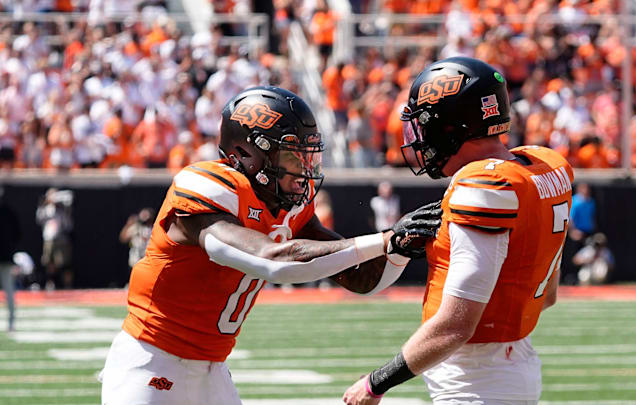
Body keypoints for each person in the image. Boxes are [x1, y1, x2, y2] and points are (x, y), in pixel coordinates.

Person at [99, 86, 441, 405]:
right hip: (151, 361)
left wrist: (399, 248)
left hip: (212, 369)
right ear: (248, 153)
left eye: (308, 157)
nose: (305, 171)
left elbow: (362, 278)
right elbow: (272, 261)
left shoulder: (288, 206)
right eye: (293, 157)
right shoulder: (206, 186)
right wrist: (383, 239)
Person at [344, 56, 574, 405]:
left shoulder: (484, 184)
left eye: (425, 125)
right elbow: (548, 295)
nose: (419, 139)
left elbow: (455, 325)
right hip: (512, 363)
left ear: (452, 127)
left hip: (475, 379)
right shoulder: (543, 167)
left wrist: (376, 383)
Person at [35, 188, 74, 290]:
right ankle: (50, 283)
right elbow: (39, 219)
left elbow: (68, 224)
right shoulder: (46, 209)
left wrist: (62, 206)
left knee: (65, 263)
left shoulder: (62, 209)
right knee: (49, 262)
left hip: (62, 238)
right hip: (49, 239)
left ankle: (67, 285)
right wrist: (45, 203)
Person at [0, 186, 21, 332]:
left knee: (9, 290)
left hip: (6, 256)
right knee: (9, 290)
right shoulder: (9, 213)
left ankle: (12, 322)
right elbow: (18, 234)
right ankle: (11, 322)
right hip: (6, 256)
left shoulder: (8, 213)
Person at [119, 207, 155, 282]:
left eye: (146, 215)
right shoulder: (135, 227)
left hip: (148, 260)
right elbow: (123, 238)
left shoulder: (154, 229)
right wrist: (128, 225)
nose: (145, 218)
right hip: (135, 260)